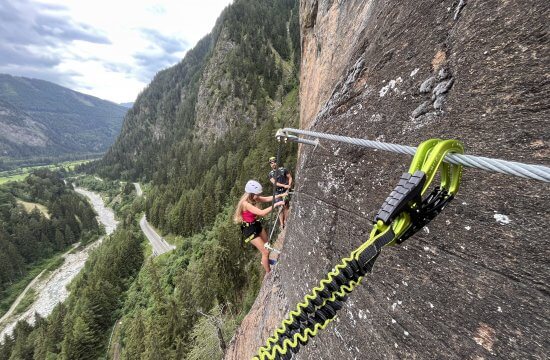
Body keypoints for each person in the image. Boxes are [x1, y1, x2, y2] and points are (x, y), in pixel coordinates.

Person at [234, 180, 286, 274]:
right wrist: (276, 204)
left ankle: (265, 261)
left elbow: (266, 199)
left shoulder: (253, 198)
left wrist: (279, 196)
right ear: (251, 194)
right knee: (265, 252)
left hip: (255, 225)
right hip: (249, 230)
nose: (258, 196)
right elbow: (262, 213)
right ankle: (268, 273)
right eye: (257, 194)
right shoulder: (246, 204)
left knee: (267, 245)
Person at [268, 156, 292, 228]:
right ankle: (282, 224)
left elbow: (290, 177)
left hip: (285, 191)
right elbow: (275, 183)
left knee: (285, 206)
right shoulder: (271, 174)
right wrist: (284, 186)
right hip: (277, 192)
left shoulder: (283, 170)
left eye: (274, 162)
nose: (273, 164)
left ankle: (285, 221)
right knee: (279, 208)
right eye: (271, 163)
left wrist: (289, 185)